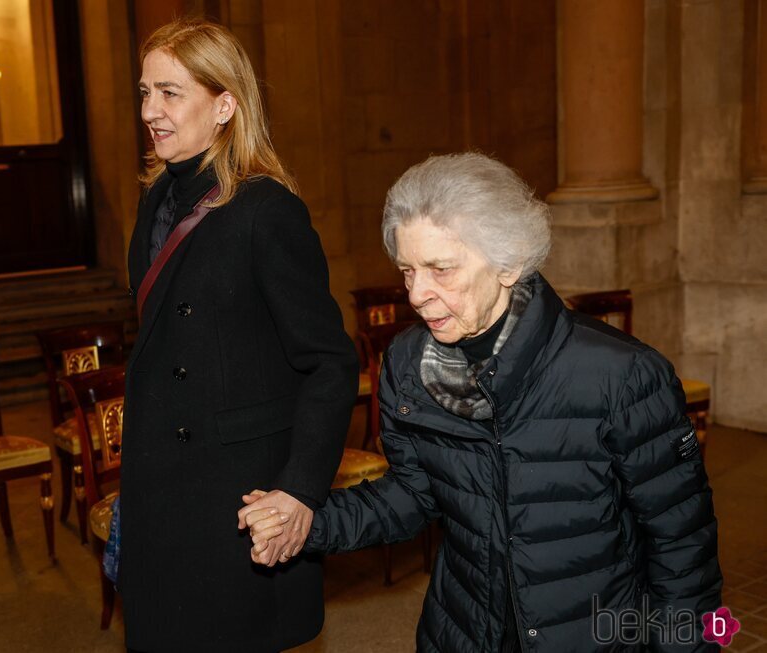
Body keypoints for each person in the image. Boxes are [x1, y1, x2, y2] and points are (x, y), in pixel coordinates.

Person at [242, 153, 723, 652]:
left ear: (509, 262)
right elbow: (414, 494)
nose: (417, 294)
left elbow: (683, 546)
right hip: (464, 633)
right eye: (407, 270)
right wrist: (306, 523)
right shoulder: (407, 365)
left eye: (441, 269)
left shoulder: (621, 374)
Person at [121, 20, 358, 653]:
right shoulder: (155, 200)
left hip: (235, 499)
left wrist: (301, 490)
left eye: (170, 93)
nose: (150, 112)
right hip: (159, 487)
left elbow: (330, 364)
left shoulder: (265, 210)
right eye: (145, 93)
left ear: (225, 104)